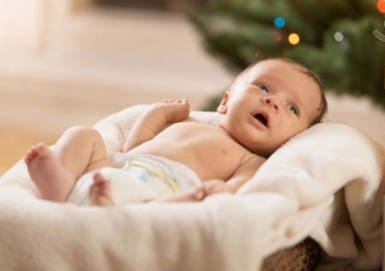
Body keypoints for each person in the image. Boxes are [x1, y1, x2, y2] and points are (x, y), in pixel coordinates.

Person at [24, 57, 327, 206]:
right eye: (263, 87)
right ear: (226, 101)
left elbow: (241, 187)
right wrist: (159, 113)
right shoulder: (190, 123)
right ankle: (61, 181)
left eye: (292, 109)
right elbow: (135, 146)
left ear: (292, 140)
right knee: (83, 134)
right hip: (117, 166)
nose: (273, 101)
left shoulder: (251, 159)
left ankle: (103, 206)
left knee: (162, 207)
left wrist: (222, 190)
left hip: (161, 189)